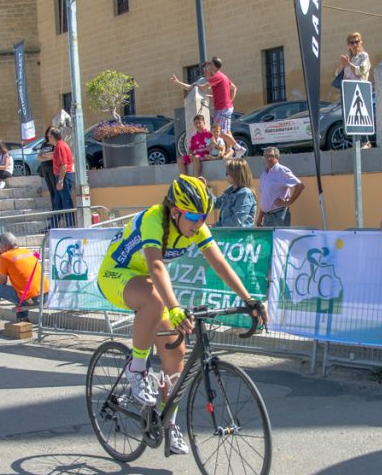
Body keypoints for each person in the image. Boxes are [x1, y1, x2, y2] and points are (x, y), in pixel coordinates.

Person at [96, 176, 267, 455]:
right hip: (117, 275)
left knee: (176, 353)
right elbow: (156, 267)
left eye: (203, 217)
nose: (198, 223)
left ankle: (168, 422)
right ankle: (136, 368)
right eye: (192, 217)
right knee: (153, 300)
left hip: (147, 281)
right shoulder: (154, 220)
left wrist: (248, 298)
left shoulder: (195, 226)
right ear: (174, 211)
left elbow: (219, 262)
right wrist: (174, 307)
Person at [0, 231, 49, 336]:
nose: (0, 249)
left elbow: (2, 281)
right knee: (18, 288)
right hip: (45, 296)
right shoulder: (29, 251)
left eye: (0, 246)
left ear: (4, 246)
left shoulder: (4, 257)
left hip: (30, 299)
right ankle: (23, 318)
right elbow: (36, 258)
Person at [170, 57, 238, 148]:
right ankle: (231, 150)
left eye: (207, 66)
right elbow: (232, 89)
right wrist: (178, 83)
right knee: (226, 131)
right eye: (205, 67)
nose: (205, 69)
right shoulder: (220, 77)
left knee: (219, 131)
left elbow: (199, 87)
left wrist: (197, 86)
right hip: (224, 107)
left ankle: (237, 147)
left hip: (222, 108)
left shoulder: (215, 77)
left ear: (212, 67)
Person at [255, 147, 304, 228]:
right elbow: (265, 198)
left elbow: (300, 186)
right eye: (265, 156)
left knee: (281, 240)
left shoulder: (281, 170)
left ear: (277, 157)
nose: (268, 158)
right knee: (270, 241)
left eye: (271, 155)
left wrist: (288, 202)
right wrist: (260, 217)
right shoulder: (264, 174)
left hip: (278, 215)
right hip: (267, 217)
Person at [216, 159, 258, 228]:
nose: (226, 175)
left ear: (236, 174)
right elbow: (215, 203)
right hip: (229, 235)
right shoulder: (229, 191)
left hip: (240, 237)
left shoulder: (245, 193)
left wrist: (216, 225)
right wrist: (203, 189)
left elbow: (236, 221)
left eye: (227, 173)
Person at [51, 127, 76, 226]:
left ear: (53, 137)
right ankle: (53, 226)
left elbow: (64, 165)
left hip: (64, 177)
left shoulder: (60, 146)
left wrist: (60, 180)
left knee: (66, 201)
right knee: (58, 202)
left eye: (49, 136)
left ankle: (70, 225)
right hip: (62, 176)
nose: (48, 138)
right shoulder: (59, 145)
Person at [37, 126, 57, 208]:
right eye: (49, 131)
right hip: (44, 169)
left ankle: (58, 210)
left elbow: (53, 156)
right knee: (51, 191)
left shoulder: (55, 144)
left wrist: (44, 156)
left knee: (55, 190)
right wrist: (46, 156)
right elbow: (39, 157)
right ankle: (54, 210)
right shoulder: (44, 144)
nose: (50, 134)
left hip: (52, 168)